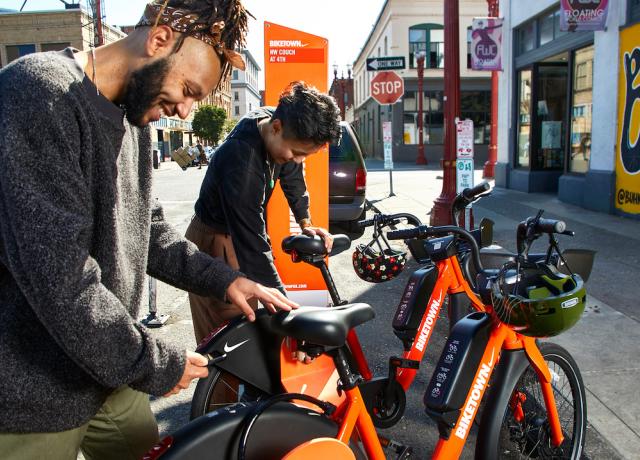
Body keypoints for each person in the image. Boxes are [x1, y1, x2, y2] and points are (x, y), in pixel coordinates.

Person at [0, 1, 297, 459]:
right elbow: (62, 278)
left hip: (108, 371)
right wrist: (157, 362)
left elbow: (149, 231)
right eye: (188, 89)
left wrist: (228, 279)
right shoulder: (39, 92)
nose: (185, 111)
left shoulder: (131, 114)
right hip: (32, 388)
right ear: (159, 39)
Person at [186, 82, 341, 343]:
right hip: (217, 240)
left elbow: (292, 177)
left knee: (249, 325)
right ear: (277, 127)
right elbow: (252, 244)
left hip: (237, 236)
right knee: (231, 336)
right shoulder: (242, 161)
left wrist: (305, 222)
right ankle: (222, 385)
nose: (298, 159)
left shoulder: (274, 123)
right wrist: (288, 313)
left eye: (306, 155)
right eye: (296, 152)